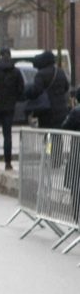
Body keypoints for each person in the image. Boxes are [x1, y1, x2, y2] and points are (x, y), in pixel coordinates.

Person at [25, 50, 70, 130]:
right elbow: (66, 87)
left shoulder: (41, 74)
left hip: (47, 111)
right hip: (61, 110)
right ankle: (56, 143)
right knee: (58, 135)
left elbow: (36, 90)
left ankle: (48, 143)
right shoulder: (60, 72)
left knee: (47, 133)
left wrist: (27, 92)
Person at [59, 91, 80, 224]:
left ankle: (76, 217)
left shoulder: (76, 112)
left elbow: (65, 127)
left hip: (77, 152)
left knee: (75, 186)